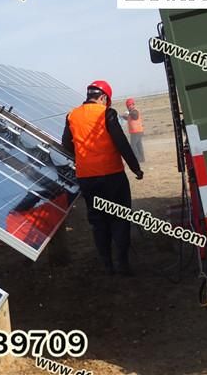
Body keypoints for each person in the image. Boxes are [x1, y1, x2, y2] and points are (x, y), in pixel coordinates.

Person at [62, 80, 144, 276]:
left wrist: (84, 157)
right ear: (103, 98)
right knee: (120, 218)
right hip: (112, 176)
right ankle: (122, 264)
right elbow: (121, 143)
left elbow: (66, 144)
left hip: (87, 178)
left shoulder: (71, 115)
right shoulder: (107, 113)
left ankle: (107, 266)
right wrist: (135, 168)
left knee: (98, 222)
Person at [121, 98, 145, 163]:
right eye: (128, 106)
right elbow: (129, 118)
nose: (128, 107)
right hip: (137, 132)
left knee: (133, 146)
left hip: (136, 132)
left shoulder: (135, 111)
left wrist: (129, 113)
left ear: (133, 105)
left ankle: (138, 159)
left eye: (129, 105)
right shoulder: (131, 113)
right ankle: (142, 159)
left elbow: (134, 115)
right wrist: (123, 117)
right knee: (138, 145)